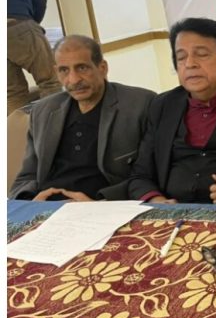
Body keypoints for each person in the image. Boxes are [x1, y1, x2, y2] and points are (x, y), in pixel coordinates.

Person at [128, 18, 216, 205]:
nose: (190, 64)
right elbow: (140, 175)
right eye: (181, 57)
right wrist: (157, 201)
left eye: (202, 54)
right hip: (172, 213)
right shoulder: (163, 105)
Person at [10, 35, 155, 201]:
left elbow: (148, 174)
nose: (73, 79)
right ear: (56, 72)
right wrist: (32, 202)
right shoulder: (43, 111)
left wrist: (99, 203)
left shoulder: (140, 105)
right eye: (64, 70)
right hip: (47, 206)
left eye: (82, 68)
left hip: (102, 204)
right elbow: (27, 176)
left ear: (102, 68)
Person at [7, 0, 61, 114]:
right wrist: (31, 25)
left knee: (13, 93)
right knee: (50, 82)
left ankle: (19, 130)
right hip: (17, 23)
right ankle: (53, 126)